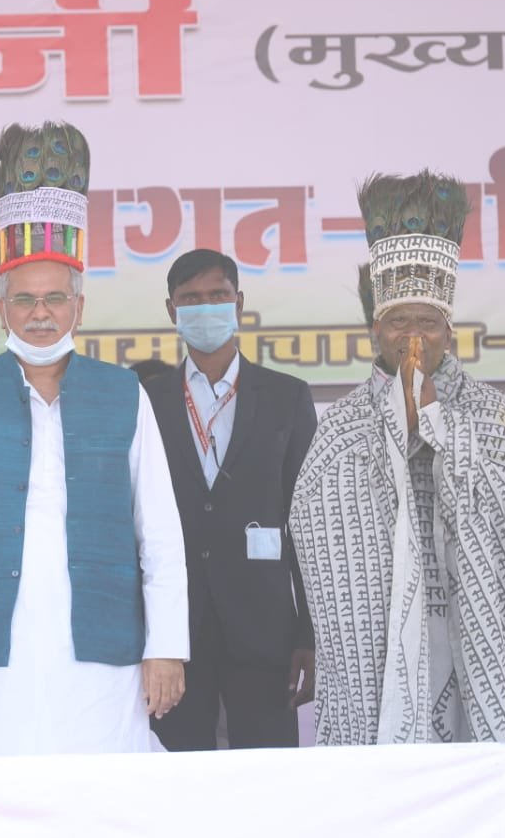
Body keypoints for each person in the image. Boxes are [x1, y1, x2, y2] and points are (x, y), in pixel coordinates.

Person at [0, 121, 188, 756]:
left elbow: (161, 533)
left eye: (55, 298)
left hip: (102, 652)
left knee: (100, 795)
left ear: (79, 308)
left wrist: (166, 645)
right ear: (1, 308)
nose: (40, 314)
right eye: (24, 299)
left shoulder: (123, 393)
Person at [289, 171, 505, 746]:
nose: (412, 335)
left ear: (450, 331)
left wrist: (439, 425)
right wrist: (394, 431)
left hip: (479, 630)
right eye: (399, 321)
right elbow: (316, 524)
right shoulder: (343, 423)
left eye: (427, 322)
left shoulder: (489, 410)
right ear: (376, 329)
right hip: (378, 640)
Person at [144, 248, 317, 751]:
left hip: (263, 627)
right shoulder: (147, 399)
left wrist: (308, 633)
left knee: (268, 775)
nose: (205, 308)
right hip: (174, 632)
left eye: (217, 295)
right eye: (190, 299)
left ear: (238, 303)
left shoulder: (287, 396)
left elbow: (306, 525)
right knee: (176, 772)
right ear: (172, 311)